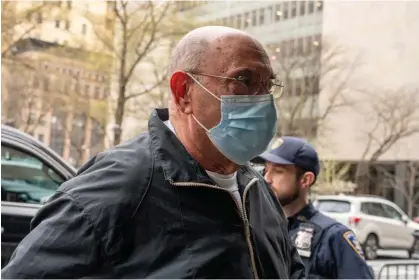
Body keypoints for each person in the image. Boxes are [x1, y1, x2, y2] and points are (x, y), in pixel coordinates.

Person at [1, 26, 305, 279]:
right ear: (183, 91)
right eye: (243, 81)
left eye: (267, 85)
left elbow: (291, 270)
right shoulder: (115, 188)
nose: (261, 99)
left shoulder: (257, 189)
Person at [259, 136, 375, 279]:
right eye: (266, 169)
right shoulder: (262, 229)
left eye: (278, 171)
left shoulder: (333, 237)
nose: (267, 178)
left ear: (306, 180)